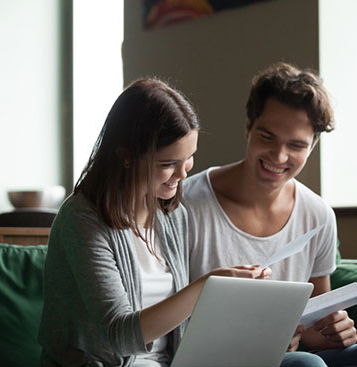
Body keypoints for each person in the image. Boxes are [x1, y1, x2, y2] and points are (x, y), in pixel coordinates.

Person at [182, 62, 357, 367]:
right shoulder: (186, 202)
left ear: (313, 145)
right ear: (248, 127)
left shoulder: (318, 215)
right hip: (213, 358)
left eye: (296, 145)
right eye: (267, 137)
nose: (279, 157)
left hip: (287, 356)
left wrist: (331, 331)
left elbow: (314, 325)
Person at [38, 78, 270, 367]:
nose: (183, 174)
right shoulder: (82, 220)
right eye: (167, 164)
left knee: (302, 364)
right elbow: (119, 335)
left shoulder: (173, 217)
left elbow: (178, 331)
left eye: (189, 159)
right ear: (125, 157)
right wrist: (207, 286)